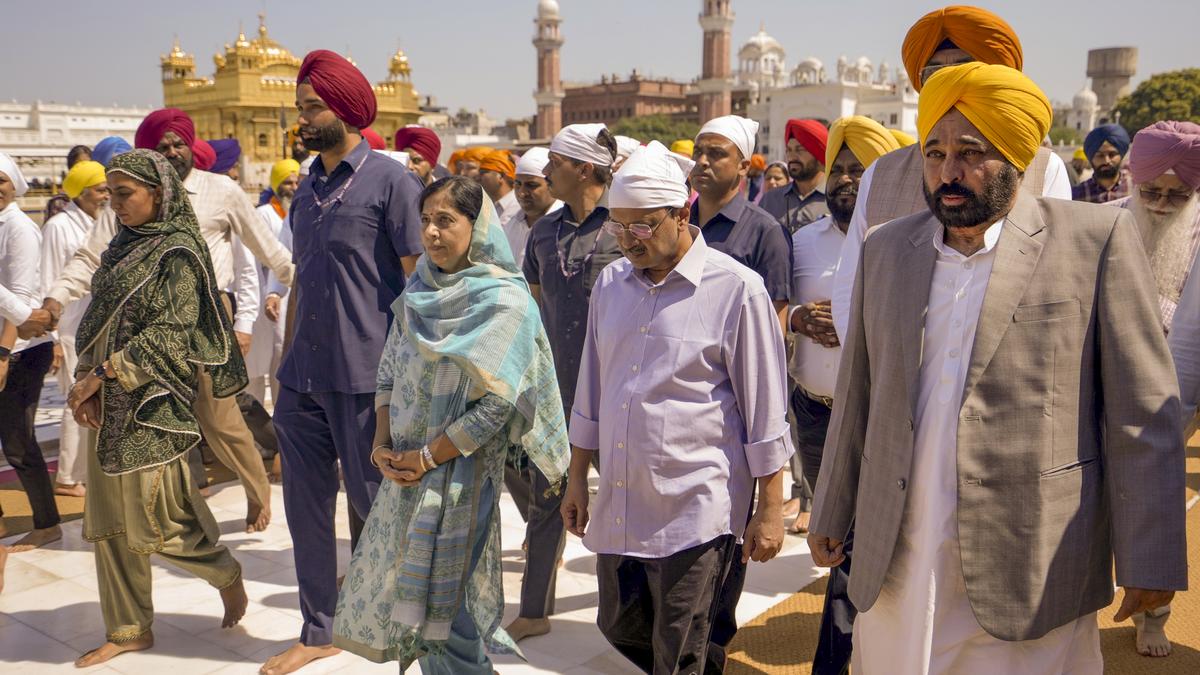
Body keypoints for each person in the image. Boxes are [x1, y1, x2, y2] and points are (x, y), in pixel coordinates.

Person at [809, 62, 1186, 674]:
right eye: (934, 153)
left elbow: (1142, 412)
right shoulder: (886, 248)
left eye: (970, 153)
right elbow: (860, 391)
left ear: (1016, 154)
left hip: (1032, 552)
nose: (948, 173)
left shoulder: (1094, 239)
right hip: (902, 545)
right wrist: (831, 505)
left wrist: (1151, 559)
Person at [562, 141, 793, 673]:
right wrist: (577, 478)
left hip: (698, 509)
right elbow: (591, 390)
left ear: (682, 212)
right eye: (618, 226)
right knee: (620, 626)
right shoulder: (612, 286)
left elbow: (764, 413)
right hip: (623, 499)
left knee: (685, 649)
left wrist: (771, 510)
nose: (627, 241)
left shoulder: (738, 290)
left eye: (641, 226)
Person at [331, 175, 569, 673]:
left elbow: (499, 405)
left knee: (448, 617)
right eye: (425, 221)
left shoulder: (505, 301)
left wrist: (426, 457)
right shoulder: (418, 289)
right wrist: (381, 445)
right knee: (418, 614)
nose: (432, 233)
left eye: (445, 220)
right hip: (404, 473)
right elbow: (390, 370)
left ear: (476, 226)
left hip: (459, 477)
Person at [43, 108, 292, 533]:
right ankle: (167, 514)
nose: (174, 151)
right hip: (144, 326)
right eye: (163, 146)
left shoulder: (221, 191)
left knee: (219, 419)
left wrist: (305, 289)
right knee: (155, 416)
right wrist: (54, 300)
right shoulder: (131, 194)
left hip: (206, 318)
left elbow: (270, 252)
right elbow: (89, 257)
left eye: (180, 143)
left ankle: (257, 491)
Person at [260, 49, 424, 675]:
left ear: (348, 111)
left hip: (367, 377)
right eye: (300, 107)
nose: (302, 118)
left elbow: (419, 286)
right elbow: (302, 280)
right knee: (304, 510)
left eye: (313, 107)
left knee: (376, 505)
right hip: (302, 378)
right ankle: (319, 628)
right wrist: (286, 361)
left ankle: (397, 619)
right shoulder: (307, 188)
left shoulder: (390, 181)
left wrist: (409, 382)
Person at [67, 149, 249, 668]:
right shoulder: (121, 247)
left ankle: (224, 573)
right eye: (109, 192)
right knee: (111, 526)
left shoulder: (177, 254)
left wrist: (101, 376)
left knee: (157, 521)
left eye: (125, 194)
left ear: (158, 194)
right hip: (105, 404)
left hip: (152, 403)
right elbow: (98, 320)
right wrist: (88, 381)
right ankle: (128, 629)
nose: (114, 203)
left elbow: (170, 335)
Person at [829, 4, 1073, 342]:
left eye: (964, 68)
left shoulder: (1042, 167)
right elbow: (850, 290)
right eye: (935, 75)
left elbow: (1054, 285)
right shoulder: (881, 174)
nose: (948, 83)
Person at [788, 116, 900, 673]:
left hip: (875, 417)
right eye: (840, 169)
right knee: (833, 536)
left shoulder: (907, 238)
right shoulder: (802, 239)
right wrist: (800, 319)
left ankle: (837, 658)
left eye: (862, 170)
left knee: (852, 543)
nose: (847, 180)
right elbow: (772, 310)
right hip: (813, 413)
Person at [500, 146, 566, 644]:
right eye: (519, 184)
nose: (524, 192)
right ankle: (535, 607)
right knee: (538, 481)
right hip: (542, 376)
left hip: (599, 380)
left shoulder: (605, 230)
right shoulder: (529, 231)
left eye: (534, 183)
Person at [0, 151, 61, 551]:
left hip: (20, 348)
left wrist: (3, 353)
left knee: (18, 441)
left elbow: (21, 300)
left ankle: (47, 523)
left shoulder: (18, 228)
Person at [42, 160, 111, 498]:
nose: (105, 196)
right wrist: (52, 338)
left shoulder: (102, 222)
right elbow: (49, 279)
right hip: (69, 327)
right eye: (100, 190)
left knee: (90, 393)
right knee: (75, 397)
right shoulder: (59, 226)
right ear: (81, 194)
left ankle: (83, 471)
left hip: (96, 325)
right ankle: (68, 478)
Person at [247, 158, 301, 404]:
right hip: (268, 290)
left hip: (291, 291)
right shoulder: (263, 214)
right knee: (269, 357)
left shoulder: (298, 212)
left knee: (284, 354)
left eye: (296, 181)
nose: (292, 187)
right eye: (287, 182)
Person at [760, 119, 829, 234]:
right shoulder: (770, 199)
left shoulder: (835, 199)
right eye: (789, 150)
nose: (792, 157)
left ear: (818, 154)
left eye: (800, 150)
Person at [502, 148, 561, 273]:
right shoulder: (509, 222)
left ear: (552, 183)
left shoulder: (564, 225)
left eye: (531, 185)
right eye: (517, 184)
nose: (522, 193)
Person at [1072, 123, 1133, 204]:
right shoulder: (1077, 195)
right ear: (1091, 158)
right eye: (1100, 155)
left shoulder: (1136, 189)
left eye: (1112, 154)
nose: (1106, 161)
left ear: (1121, 156)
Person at [479, 149, 518, 221]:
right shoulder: (489, 207)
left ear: (501, 176)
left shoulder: (519, 207)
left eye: (483, 173)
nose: (478, 178)